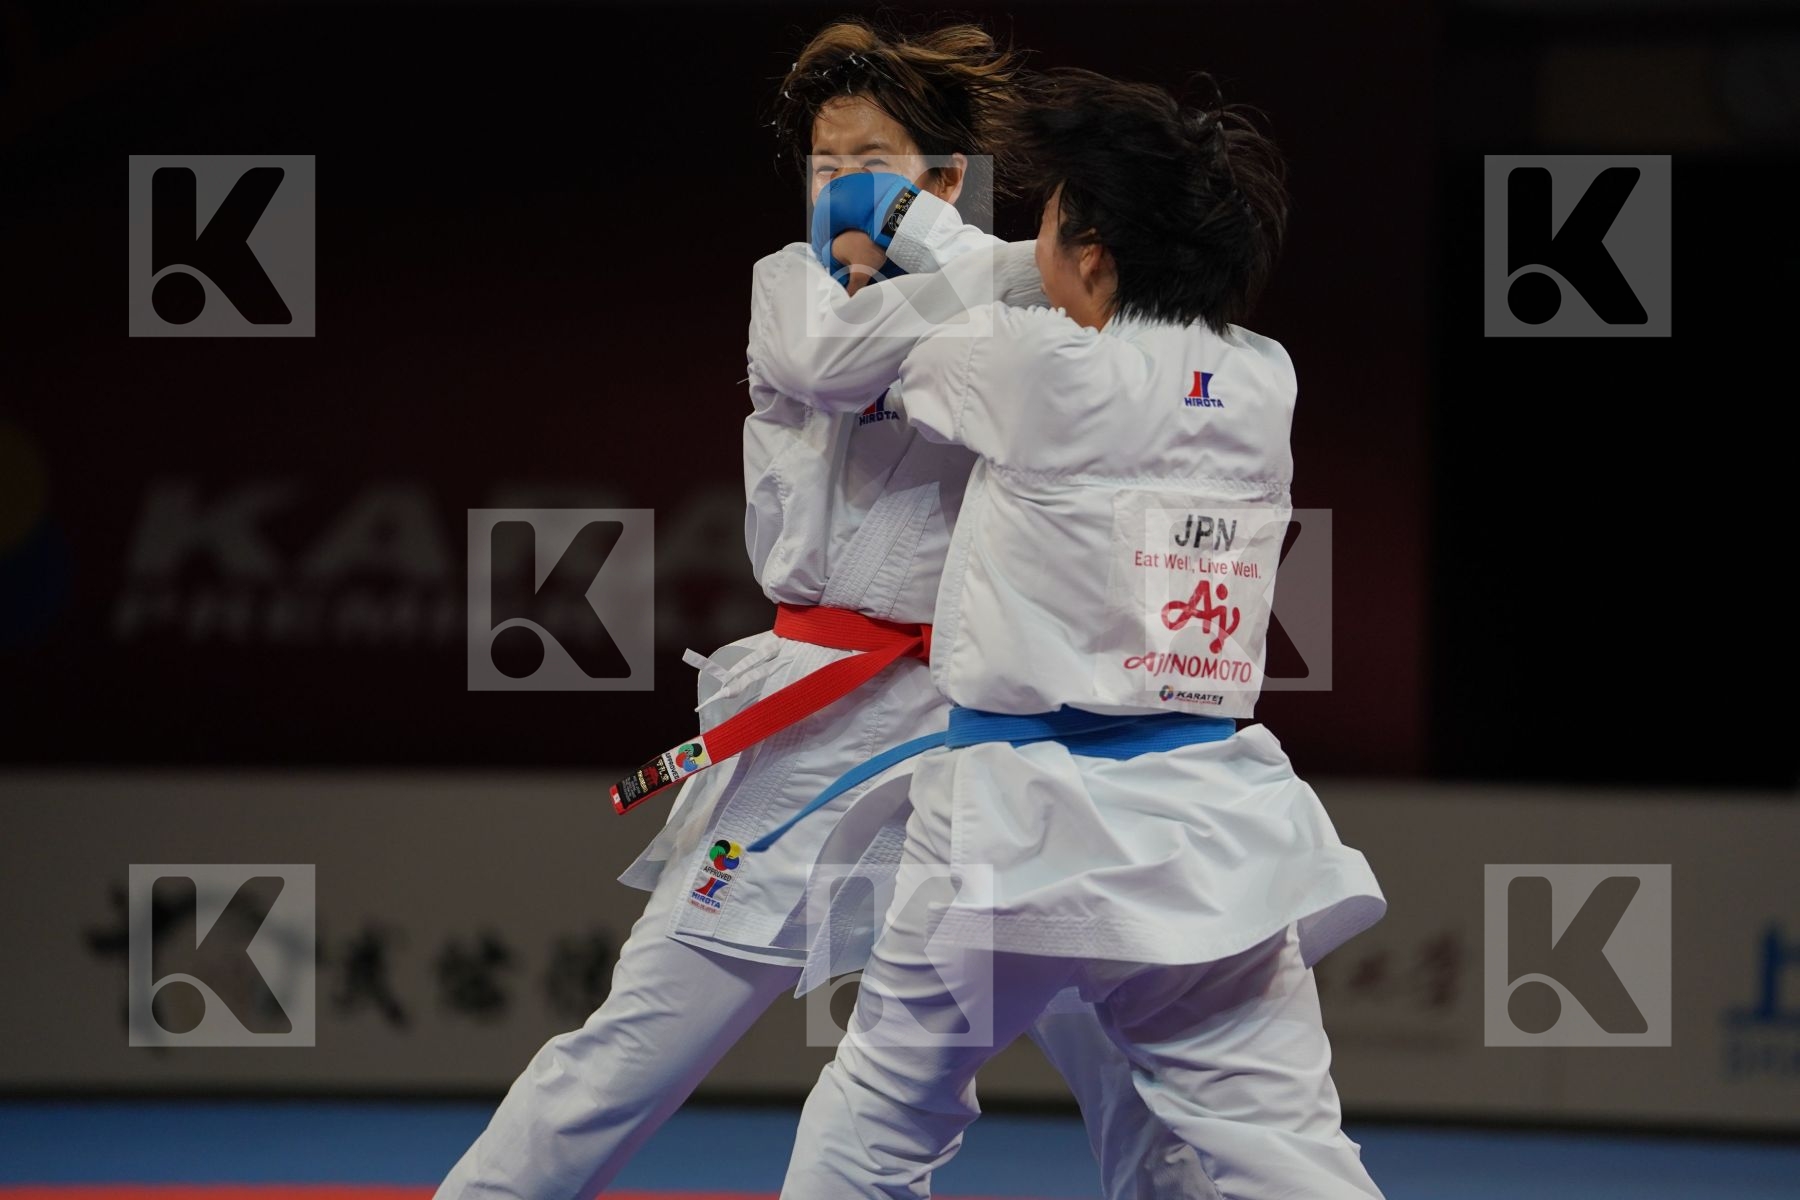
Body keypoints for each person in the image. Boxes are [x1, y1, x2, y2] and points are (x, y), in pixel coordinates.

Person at [435, 26, 1204, 1199]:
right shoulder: (796, 291)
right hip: (809, 736)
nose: (841, 183)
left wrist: (1002, 273)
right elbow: (842, 361)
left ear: (946, 180)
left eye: (873, 160)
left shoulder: (1030, 313)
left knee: (1118, 1046)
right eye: (822, 160)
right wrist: (1009, 266)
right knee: (635, 1040)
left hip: (984, 735)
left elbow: (1108, 359)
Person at [769, 70, 1389, 1200]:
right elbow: (1051, 303)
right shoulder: (1264, 376)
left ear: (1092, 253)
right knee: (1290, 1157)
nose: (1035, 241)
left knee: (878, 1117)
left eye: (1050, 221)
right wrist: (930, 223)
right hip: (1210, 830)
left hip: (1014, 834)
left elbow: (843, 354)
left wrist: (864, 217)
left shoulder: (1033, 366)